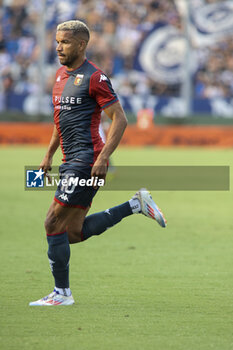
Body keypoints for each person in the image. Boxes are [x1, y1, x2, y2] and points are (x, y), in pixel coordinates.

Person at [29, 20, 166, 306]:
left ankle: (62, 294)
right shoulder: (58, 77)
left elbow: (120, 118)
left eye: (65, 42)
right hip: (70, 161)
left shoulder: (95, 77)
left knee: (52, 222)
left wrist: (104, 157)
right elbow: (60, 121)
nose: (58, 47)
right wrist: (48, 154)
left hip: (87, 161)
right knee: (73, 233)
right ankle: (135, 204)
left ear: (81, 44)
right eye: (57, 41)